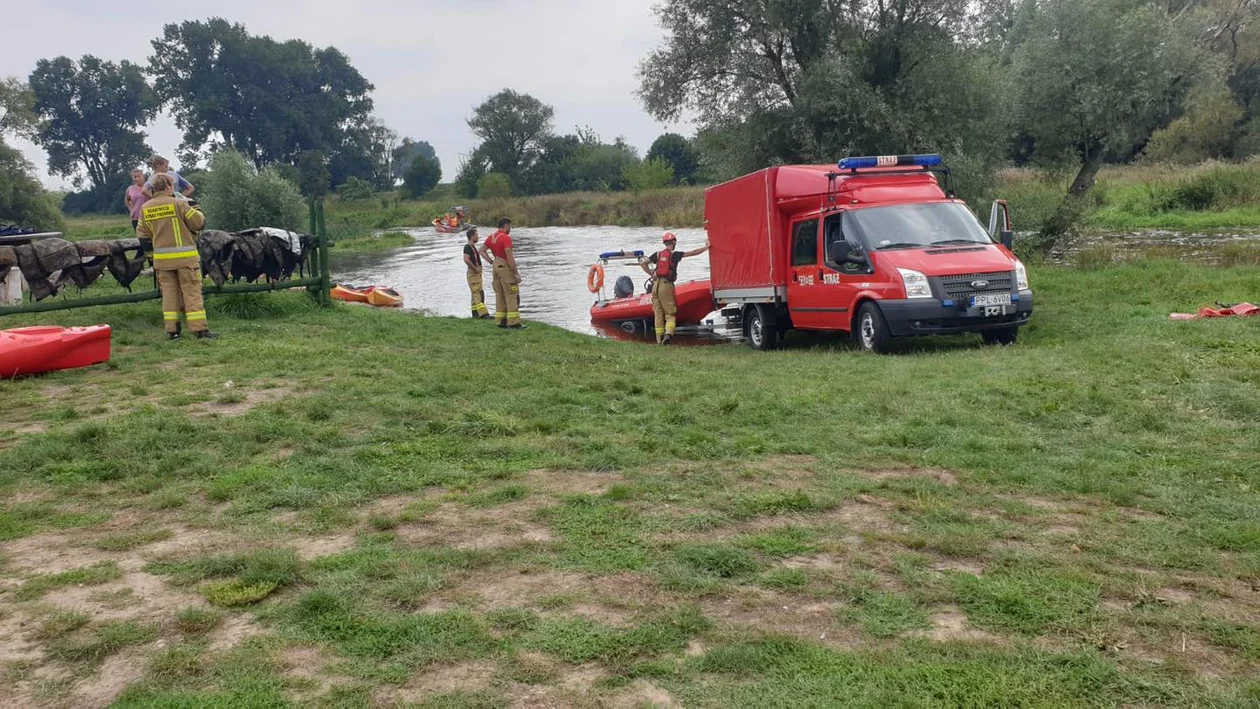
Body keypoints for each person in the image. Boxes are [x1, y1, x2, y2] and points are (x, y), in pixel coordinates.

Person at [136, 174, 217, 340]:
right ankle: (199, 330)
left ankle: (172, 331)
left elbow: (142, 235)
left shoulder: (145, 208)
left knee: (169, 295)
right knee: (192, 292)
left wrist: (152, 256)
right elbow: (199, 223)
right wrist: (194, 207)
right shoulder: (179, 203)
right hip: (186, 260)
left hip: (162, 261)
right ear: (167, 186)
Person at [641, 232, 709, 345]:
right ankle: (668, 335)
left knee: (658, 313)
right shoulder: (675, 255)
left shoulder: (657, 254)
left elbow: (643, 263)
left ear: (664, 243)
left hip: (655, 285)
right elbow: (693, 253)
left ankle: (659, 339)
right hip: (666, 285)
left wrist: (652, 274)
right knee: (670, 313)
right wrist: (706, 247)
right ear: (673, 242)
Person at [480, 217, 523, 329]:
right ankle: (513, 323)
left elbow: (482, 250)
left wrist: (491, 261)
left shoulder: (492, 237)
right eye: (509, 226)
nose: (510, 229)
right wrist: (516, 273)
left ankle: (501, 321)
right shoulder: (505, 238)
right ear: (505, 226)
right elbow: (509, 257)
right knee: (511, 294)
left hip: (495, 267)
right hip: (505, 267)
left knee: (499, 295)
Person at [463, 227, 491, 319]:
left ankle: (475, 314)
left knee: (475, 293)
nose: (478, 237)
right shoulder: (467, 247)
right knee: (478, 293)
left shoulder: (473, 247)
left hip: (477, 273)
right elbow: (466, 259)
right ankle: (484, 314)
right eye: (476, 235)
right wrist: (475, 268)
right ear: (472, 236)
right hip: (473, 273)